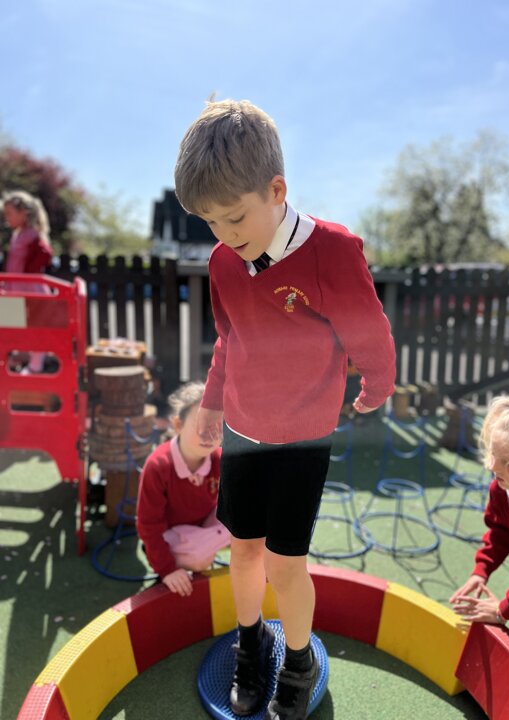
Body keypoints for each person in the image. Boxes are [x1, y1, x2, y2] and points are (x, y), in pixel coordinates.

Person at [175, 99, 396, 719]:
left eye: (234, 216)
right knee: (243, 548)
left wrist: (378, 382)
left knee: (285, 560)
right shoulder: (223, 261)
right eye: (210, 222)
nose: (225, 233)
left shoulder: (332, 251)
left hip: (303, 435)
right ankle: (251, 642)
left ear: (277, 191)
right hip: (243, 427)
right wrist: (213, 403)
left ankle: (298, 660)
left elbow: (369, 331)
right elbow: (229, 338)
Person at [450, 396, 509, 655]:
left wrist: (503, 610)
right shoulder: (502, 489)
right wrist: (482, 570)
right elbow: (501, 532)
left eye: (508, 462)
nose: (492, 465)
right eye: (493, 454)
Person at [136, 382, 231, 596]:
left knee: (255, 517)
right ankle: (189, 556)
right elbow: (148, 525)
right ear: (178, 425)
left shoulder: (220, 459)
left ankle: (217, 543)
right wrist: (168, 569)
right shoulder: (159, 466)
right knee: (199, 558)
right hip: (171, 538)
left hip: (204, 526)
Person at [1, 190, 53, 373]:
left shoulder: (31, 234)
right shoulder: (18, 234)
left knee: (34, 327)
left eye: (9, 213)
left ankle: (35, 365)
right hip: (15, 287)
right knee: (10, 325)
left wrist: (29, 272)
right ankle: (17, 357)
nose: (6, 218)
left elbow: (45, 253)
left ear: (23, 213)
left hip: (28, 287)